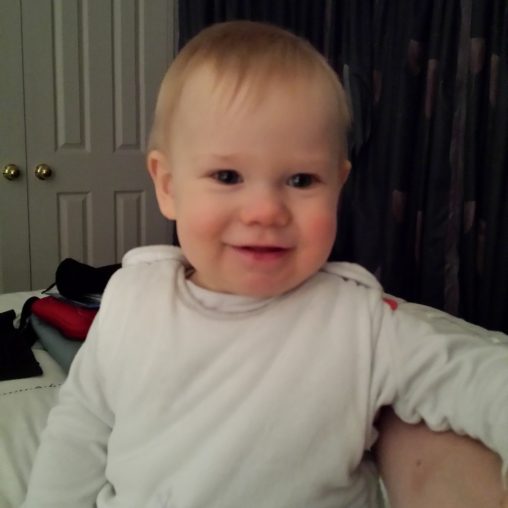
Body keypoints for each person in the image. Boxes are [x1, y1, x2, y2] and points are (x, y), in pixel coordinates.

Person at [23, 20, 508, 508]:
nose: (265, 211)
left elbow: (478, 375)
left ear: (338, 186)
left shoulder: (360, 322)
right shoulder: (132, 300)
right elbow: (81, 426)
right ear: (168, 186)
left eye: (301, 180)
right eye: (227, 176)